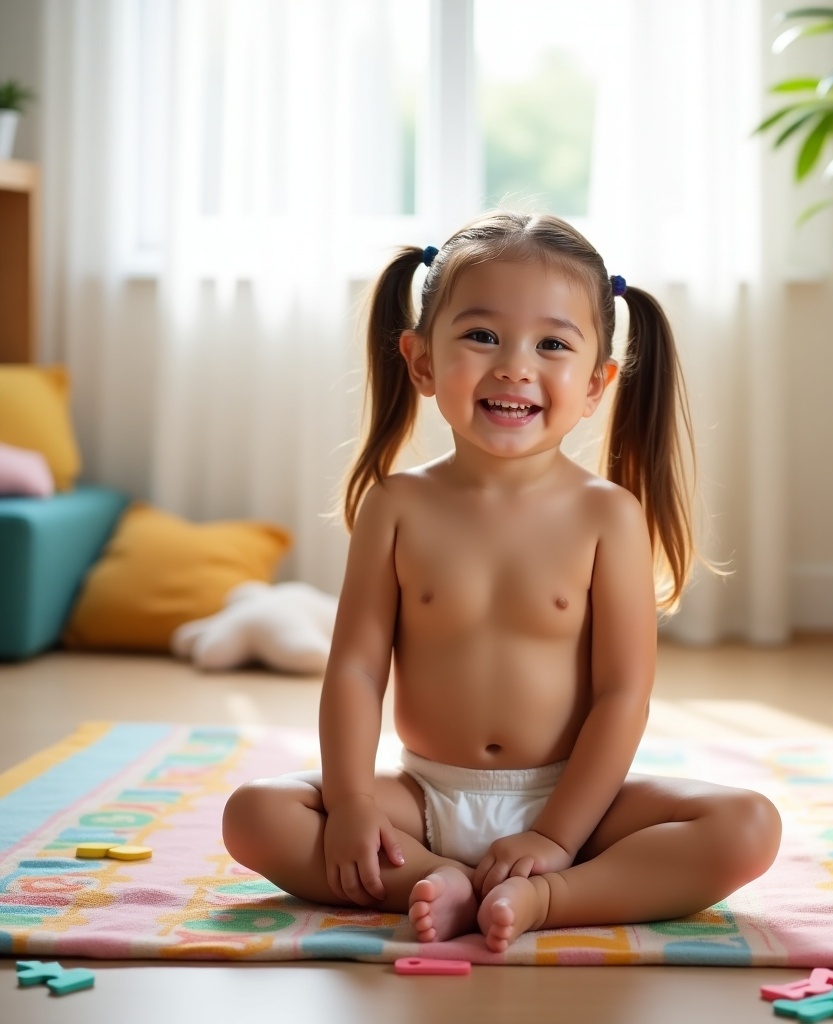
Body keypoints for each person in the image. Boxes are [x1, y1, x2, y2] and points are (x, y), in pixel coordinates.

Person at [222, 211, 782, 953]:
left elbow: (623, 694)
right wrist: (355, 804)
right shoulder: (396, 507)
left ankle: (548, 896)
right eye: (482, 336)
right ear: (421, 362)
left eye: (552, 344)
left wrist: (555, 835)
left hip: (574, 799)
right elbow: (356, 669)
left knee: (748, 826)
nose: (515, 365)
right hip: (422, 801)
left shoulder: (607, 517)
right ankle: (433, 881)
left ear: (595, 383)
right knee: (256, 813)